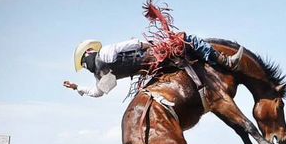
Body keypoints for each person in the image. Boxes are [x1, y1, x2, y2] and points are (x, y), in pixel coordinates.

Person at [63, 35, 244, 98]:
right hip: (157, 57)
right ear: (89, 52)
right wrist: (155, 44)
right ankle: (224, 61)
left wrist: (77, 87)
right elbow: (133, 44)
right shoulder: (106, 51)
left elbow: (99, 92)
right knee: (187, 39)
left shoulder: (101, 75)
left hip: (151, 73)